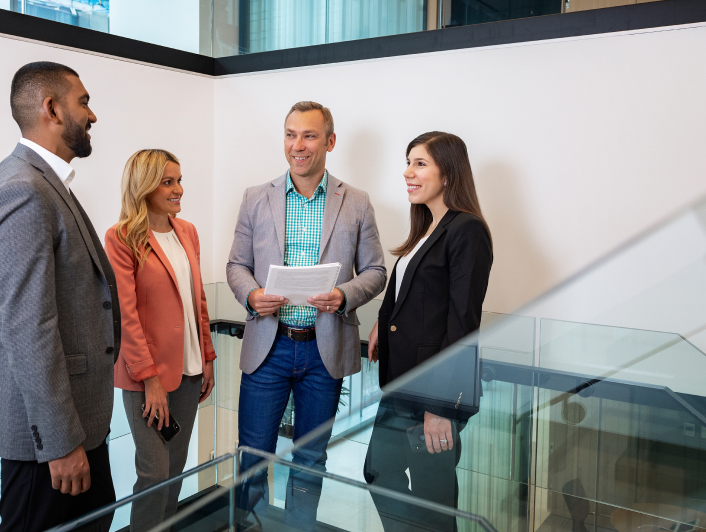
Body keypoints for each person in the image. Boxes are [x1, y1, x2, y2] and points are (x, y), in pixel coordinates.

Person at [227, 101, 387, 526]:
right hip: (268, 345)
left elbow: (376, 272)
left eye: (309, 135)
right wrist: (251, 295)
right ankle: (251, 525)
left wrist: (344, 295)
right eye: (290, 134)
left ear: (330, 142)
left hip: (324, 349)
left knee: (311, 458)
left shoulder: (356, 202)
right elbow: (235, 266)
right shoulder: (255, 198)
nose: (298, 145)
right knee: (253, 454)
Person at [0, 62, 120, 531]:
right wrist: (60, 443)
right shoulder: (23, 190)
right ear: (52, 109)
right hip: (50, 442)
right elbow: (28, 327)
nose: (93, 115)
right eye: (84, 102)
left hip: (77, 424)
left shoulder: (46, 183)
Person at [364, 131, 493, 531]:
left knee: (432, 495)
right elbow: (407, 292)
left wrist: (440, 408)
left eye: (420, 163)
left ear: (449, 174)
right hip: (404, 384)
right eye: (408, 162)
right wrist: (381, 325)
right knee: (378, 473)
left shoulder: (466, 230)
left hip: (435, 392)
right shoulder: (426, 227)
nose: (408, 172)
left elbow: (462, 324)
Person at [105, 150, 216, 532]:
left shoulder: (187, 232)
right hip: (146, 377)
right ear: (145, 185)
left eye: (179, 180)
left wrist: (208, 359)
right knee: (154, 472)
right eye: (168, 182)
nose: (178, 189)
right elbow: (126, 314)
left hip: (189, 370)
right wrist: (149, 379)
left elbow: (197, 300)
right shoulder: (121, 237)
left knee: (175, 469)